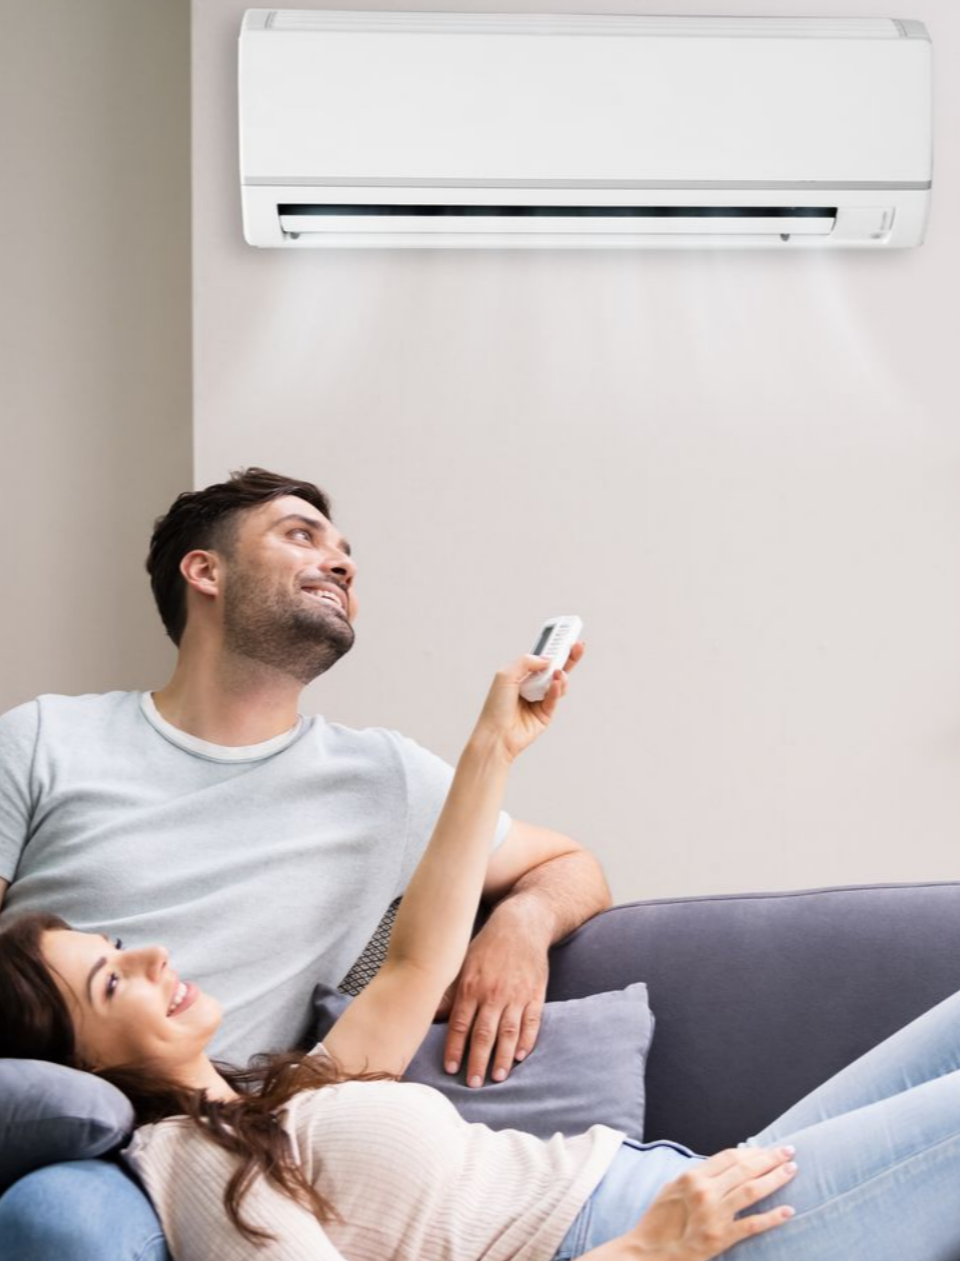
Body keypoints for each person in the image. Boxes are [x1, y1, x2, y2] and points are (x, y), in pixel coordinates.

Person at [5, 660, 960, 1261]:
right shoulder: (190, 1171)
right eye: (111, 978)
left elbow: (419, 960)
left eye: (121, 945)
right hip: (687, 1236)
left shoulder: (267, 1100)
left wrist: (493, 744)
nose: (153, 956)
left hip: (680, 1180)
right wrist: (647, 1252)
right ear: (79, 1064)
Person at [0, 467, 610, 1084]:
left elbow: (569, 865)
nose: (341, 565)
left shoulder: (386, 779)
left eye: (345, 555)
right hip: (47, 1115)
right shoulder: (42, 738)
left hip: (229, 1130)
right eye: (300, 536)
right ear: (205, 571)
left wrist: (520, 924)